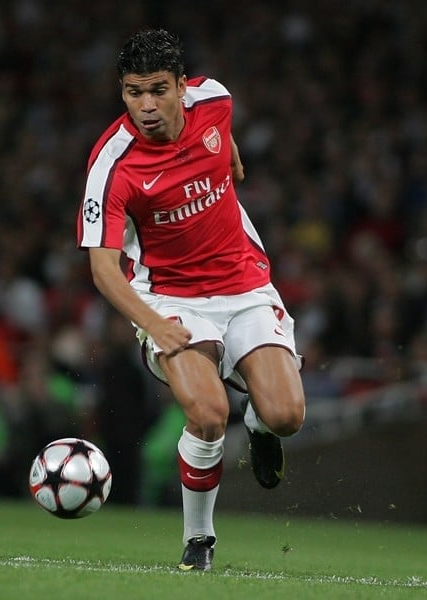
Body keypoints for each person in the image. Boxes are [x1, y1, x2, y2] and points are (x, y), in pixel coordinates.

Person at [76, 29, 306, 571]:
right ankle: (199, 540)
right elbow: (102, 270)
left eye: (159, 90)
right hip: (171, 298)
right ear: (122, 92)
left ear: (183, 87)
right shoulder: (112, 166)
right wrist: (154, 325)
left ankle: (259, 426)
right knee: (206, 413)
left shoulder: (216, 99)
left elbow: (222, 138)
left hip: (244, 283)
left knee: (287, 415)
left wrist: (232, 158)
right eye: (134, 93)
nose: (147, 106)